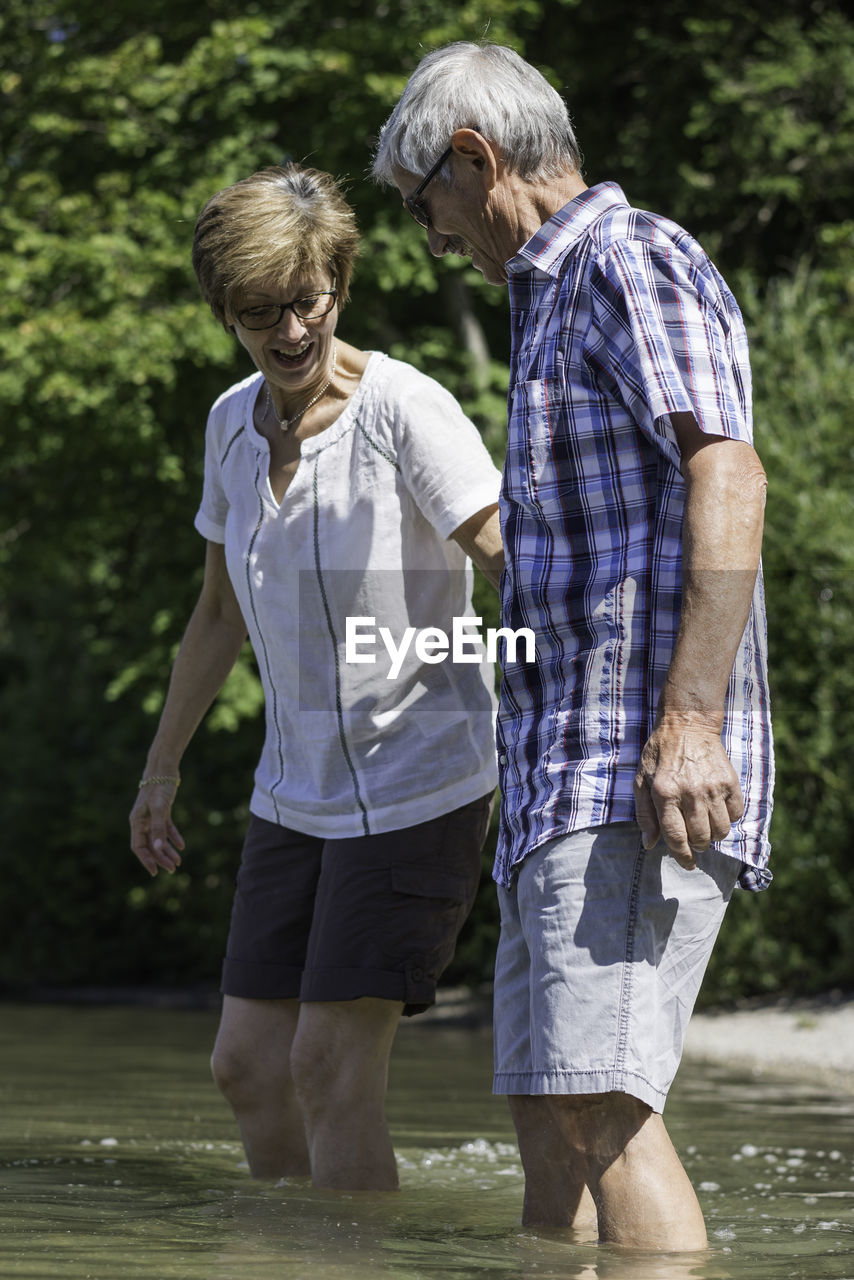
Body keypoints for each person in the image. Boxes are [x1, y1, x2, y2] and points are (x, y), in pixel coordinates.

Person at [374, 43, 773, 1251]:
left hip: (635, 770)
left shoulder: (628, 256)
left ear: (475, 159)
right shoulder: (543, 301)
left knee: (604, 1108)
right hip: (560, 779)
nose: (432, 236)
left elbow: (729, 470)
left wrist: (690, 722)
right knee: (548, 1117)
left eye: (425, 204)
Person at [129, 163, 505, 1192]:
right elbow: (217, 613)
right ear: (225, 311)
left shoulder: (404, 410)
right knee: (247, 1065)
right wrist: (160, 770)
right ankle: (294, 1253)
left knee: (330, 1068)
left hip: (419, 787)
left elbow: (510, 559)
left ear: (339, 281)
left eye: (308, 301)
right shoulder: (228, 426)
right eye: (259, 313)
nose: (290, 331)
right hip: (292, 798)